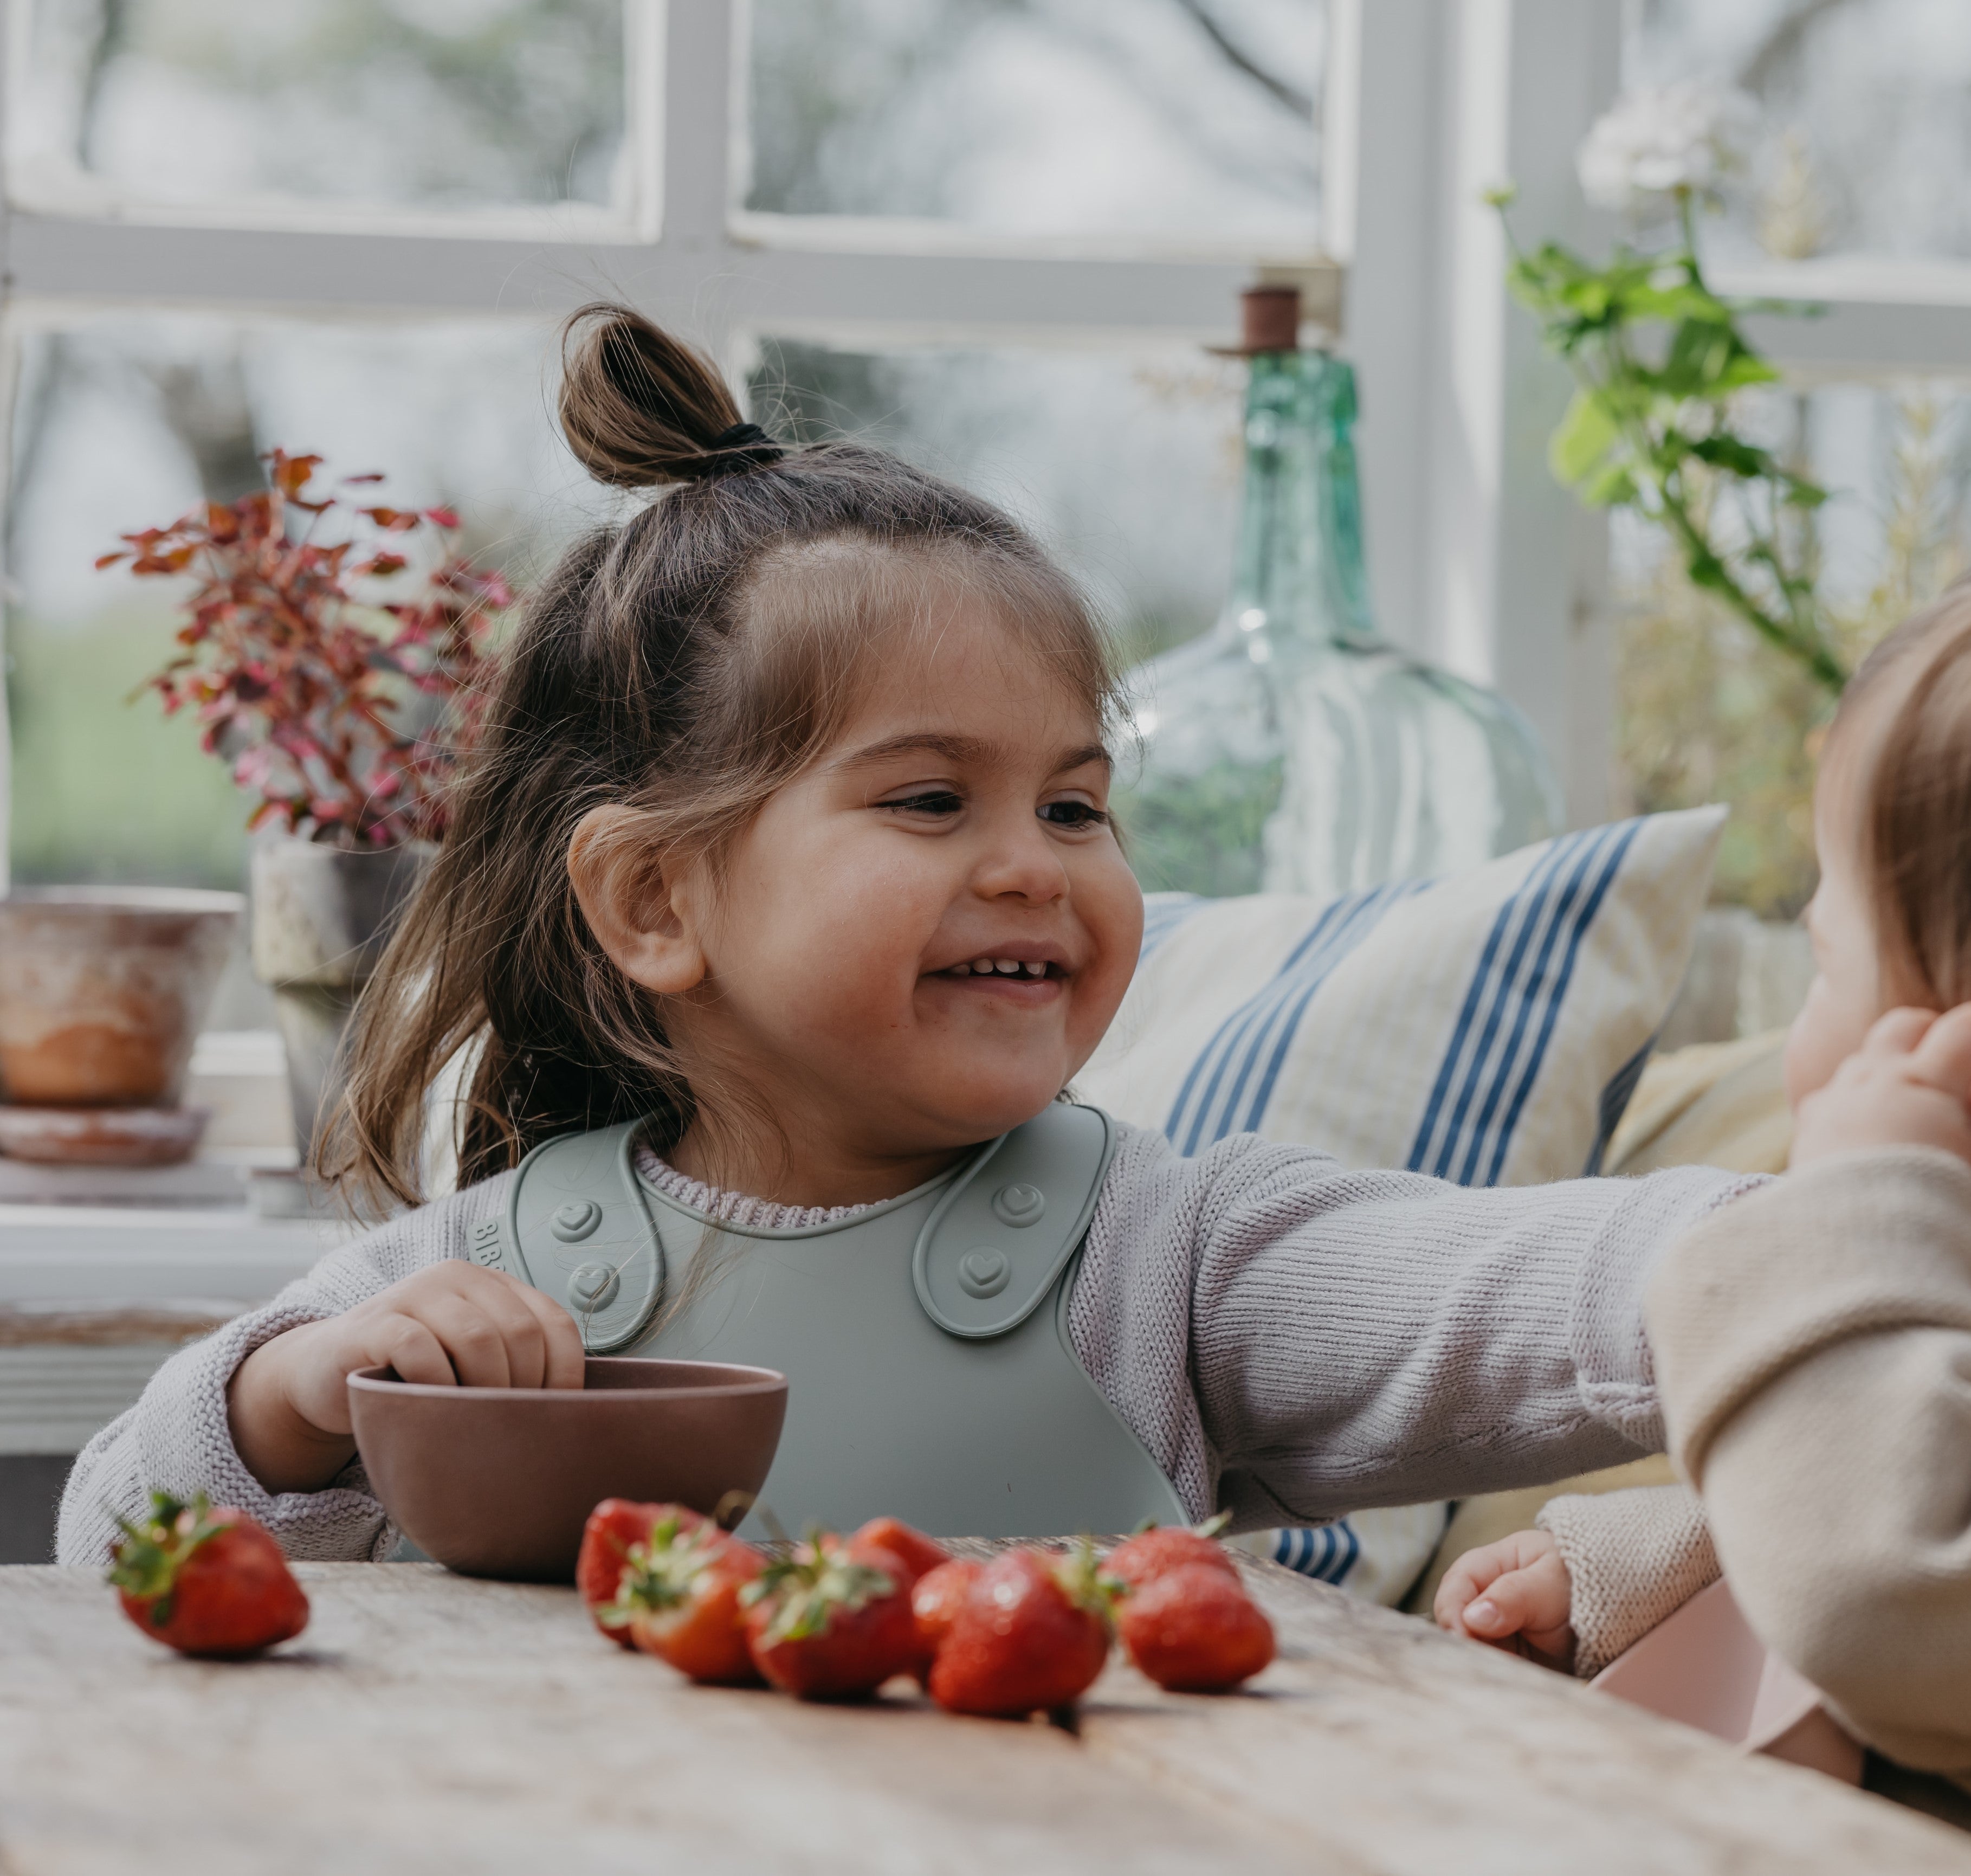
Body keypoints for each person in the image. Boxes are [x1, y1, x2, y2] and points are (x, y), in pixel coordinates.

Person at [60, 302, 1805, 1564]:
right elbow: (115, 1536)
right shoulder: (474, 1283)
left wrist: (1822, 1232)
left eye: (1073, 805)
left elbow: (1523, 1287)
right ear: (654, 900)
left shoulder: (1168, 1256)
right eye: (927, 799)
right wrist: (294, 1398)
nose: (1035, 864)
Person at [1434, 586, 1971, 1783]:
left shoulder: (1881, 1252)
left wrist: (1856, 1220)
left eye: (1825, 959)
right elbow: (1894, 1485)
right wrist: (1634, 1570)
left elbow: (1884, 1589)